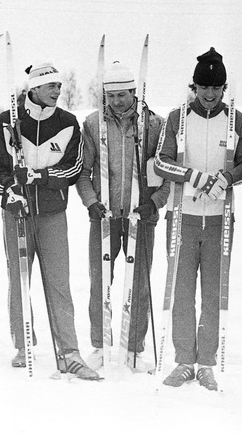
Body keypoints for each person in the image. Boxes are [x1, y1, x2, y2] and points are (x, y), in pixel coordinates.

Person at [154, 47, 242, 391]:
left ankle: (207, 363)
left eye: (216, 88)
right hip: (182, 215)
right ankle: (184, 360)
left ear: (223, 88)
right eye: (203, 88)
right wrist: (196, 178)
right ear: (193, 87)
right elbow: (161, 162)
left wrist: (226, 179)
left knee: (213, 293)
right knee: (182, 291)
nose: (210, 95)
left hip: (218, 219)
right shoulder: (177, 118)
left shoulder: (235, 119)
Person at [0, 61, 99, 380]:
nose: (57, 91)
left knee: (58, 282)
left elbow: (73, 167)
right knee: (19, 280)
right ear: (34, 88)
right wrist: (9, 190)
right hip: (17, 213)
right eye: (51, 86)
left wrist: (40, 176)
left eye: (59, 86)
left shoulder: (67, 122)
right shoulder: (10, 121)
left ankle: (69, 351)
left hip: (52, 214)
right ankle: (24, 345)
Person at [75, 61, 170, 373]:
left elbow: (167, 174)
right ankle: (101, 346)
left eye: (123, 94)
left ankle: (133, 348)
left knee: (139, 282)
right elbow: (83, 172)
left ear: (134, 92)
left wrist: (154, 203)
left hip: (140, 218)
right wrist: (91, 202)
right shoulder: (93, 124)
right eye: (111, 95)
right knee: (100, 280)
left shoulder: (154, 125)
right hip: (105, 217)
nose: (117, 101)